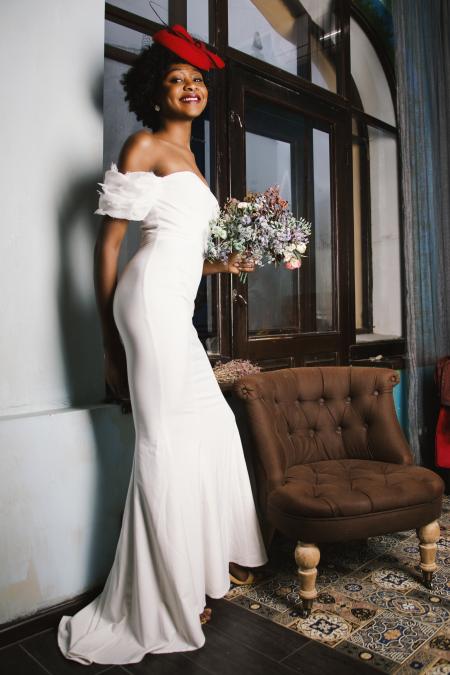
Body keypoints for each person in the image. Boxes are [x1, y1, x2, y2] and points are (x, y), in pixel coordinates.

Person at [56, 24, 268, 665]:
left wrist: (221, 268)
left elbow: (177, 246)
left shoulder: (195, 163)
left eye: (197, 79)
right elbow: (111, 247)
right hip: (143, 306)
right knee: (161, 444)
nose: (191, 86)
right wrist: (108, 344)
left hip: (173, 304)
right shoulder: (143, 144)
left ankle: (193, 573)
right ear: (155, 91)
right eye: (177, 79)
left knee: (211, 429)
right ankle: (161, 600)